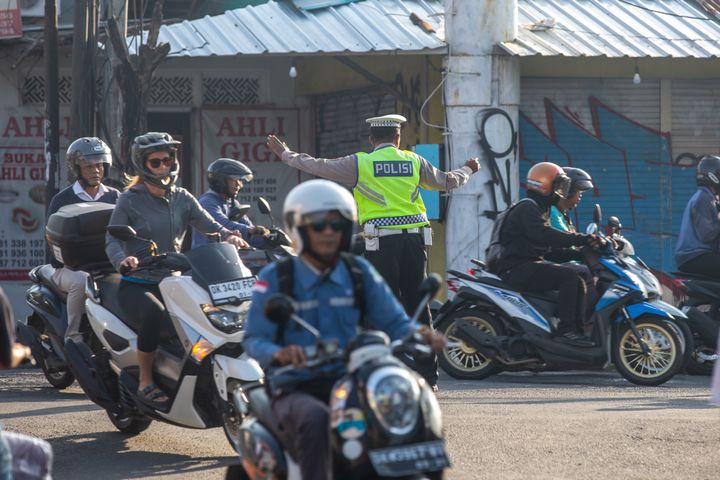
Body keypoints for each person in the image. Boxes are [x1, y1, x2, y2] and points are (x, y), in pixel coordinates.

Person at [243, 179, 445, 480]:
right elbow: (254, 338)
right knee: (317, 420)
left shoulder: (358, 271)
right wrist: (280, 353)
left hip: (358, 379)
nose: (328, 232)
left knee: (411, 404)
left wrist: (422, 334)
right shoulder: (277, 277)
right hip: (298, 384)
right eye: (318, 224)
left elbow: (395, 321)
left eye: (336, 224)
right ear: (299, 228)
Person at [266, 114, 480, 390]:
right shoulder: (414, 161)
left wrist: (286, 155)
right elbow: (448, 181)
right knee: (417, 306)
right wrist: (468, 169)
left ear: (371, 139)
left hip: (381, 244)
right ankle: (429, 376)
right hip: (415, 243)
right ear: (398, 138)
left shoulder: (361, 163)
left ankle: (380, 371)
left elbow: (319, 166)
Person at [105, 132, 248, 410]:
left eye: (168, 160)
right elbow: (111, 238)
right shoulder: (130, 199)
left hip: (175, 281)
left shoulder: (182, 197)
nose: (164, 166)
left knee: (208, 315)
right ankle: (146, 380)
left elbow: (211, 226)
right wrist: (123, 260)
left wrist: (229, 235)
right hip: (139, 282)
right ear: (144, 165)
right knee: (154, 315)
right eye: (156, 161)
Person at [495, 162, 602, 345]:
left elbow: (548, 251)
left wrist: (579, 254)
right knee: (570, 276)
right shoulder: (527, 208)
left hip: (528, 265)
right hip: (515, 269)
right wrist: (581, 239)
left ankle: (577, 331)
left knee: (577, 277)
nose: (561, 191)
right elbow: (544, 235)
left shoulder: (539, 208)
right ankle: (566, 331)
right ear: (545, 185)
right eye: (558, 186)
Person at [47, 137, 120, 344]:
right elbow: (51, 241)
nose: (95, 170)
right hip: (68, 269)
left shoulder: (115, 197)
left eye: (99, 165)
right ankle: (74, 337)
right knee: (81, 280)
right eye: (89, 166)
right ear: (77, 168)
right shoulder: (62, 200)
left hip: (107, 267)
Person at [191, 158, 269, 248]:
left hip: (226, 258)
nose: (239, 185)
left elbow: (249, 232)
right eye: (234, 179)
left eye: (240, 180)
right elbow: (223, 225)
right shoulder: (207, 202)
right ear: (220, 180)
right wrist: (250, 230)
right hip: (206, 258)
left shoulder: (232, 203)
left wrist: (269, 238)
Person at [676, 155, 720, 278]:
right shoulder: (703, 198)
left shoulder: (708, 197)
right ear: (713, 176)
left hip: (695, 255)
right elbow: (707, 234)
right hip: (694, 256)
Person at [549, 167, 593, 233]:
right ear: (569, 190)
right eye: (579, 191)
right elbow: (566, 237)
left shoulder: (560, 214)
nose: (580, 195)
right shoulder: (553, 213)